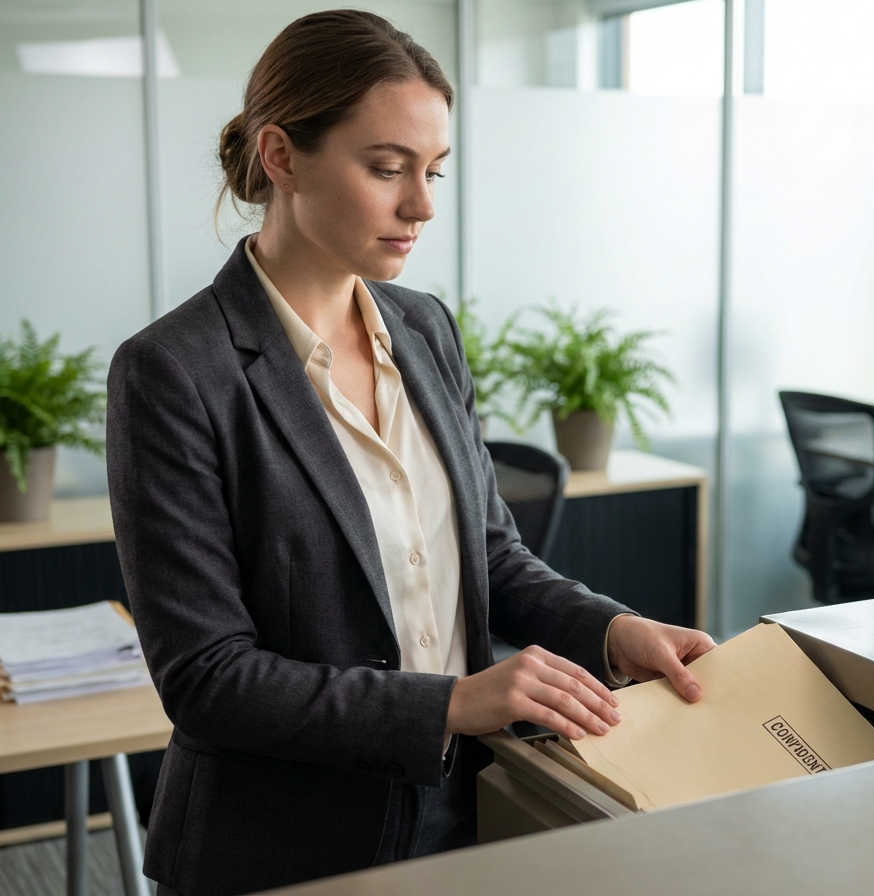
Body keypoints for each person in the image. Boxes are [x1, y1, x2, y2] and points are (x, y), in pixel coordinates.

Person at [106, 10, 714, 896]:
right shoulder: (174, 371)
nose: (423, 205)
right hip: (281, 848)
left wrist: (615, 632)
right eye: (388, 168)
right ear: (281, 157)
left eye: (433, 170)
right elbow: (207, 677)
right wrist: (453, 702)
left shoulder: (425, 330)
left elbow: (489, 556)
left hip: (464, 815)